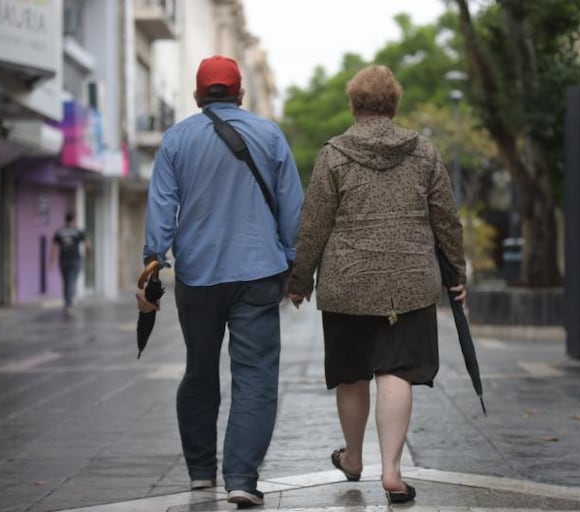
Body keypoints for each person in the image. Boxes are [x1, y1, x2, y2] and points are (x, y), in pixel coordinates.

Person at [286, 65, 466, 504]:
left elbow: (314, 223)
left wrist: (299, 279)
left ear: (353, 105)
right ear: (394, 104)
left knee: (351, 375)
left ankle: (352, 458)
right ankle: (392, 471)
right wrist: (456, 273)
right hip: (409, 283)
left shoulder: (333, 154)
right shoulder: (424, 152)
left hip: (348, 284)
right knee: (396, 372)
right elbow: (446, 217)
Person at [135, 55, 303, 507]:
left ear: (196, 96)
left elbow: (162, 209)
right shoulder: (269, 135)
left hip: (199, 275)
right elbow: (293, 210)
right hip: (258, 274)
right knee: (255, 376)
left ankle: (200, 472)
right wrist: (295, 268)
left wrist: (153, 263)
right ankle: (242, 479)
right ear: (240, 94)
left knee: (200, 368)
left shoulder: (176, 140)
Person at [49, 211, 90, 316]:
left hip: (63, 261)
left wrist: (51, 262)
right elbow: (87, 243)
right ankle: (69, 303)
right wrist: (89, 253)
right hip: (75, 260)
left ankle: (67, 302)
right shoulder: (78, 231)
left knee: (66, 281)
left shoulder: (59, 232)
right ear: (74, 220)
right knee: (72, 281)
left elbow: (53, 248)